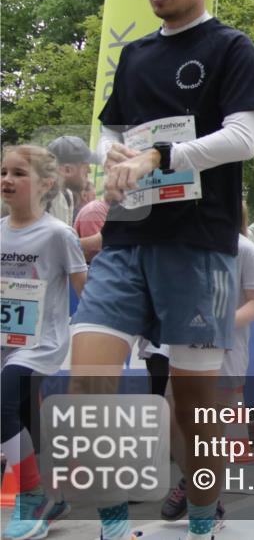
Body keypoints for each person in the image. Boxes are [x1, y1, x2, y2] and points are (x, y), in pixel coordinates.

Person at [69, 0, 254, 540]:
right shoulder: (134, 56)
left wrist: (159, 154)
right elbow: (110, 130)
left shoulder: (231, 47)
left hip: (197, 243)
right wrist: (117, 158)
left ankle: (204, 520)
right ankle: (111, 522)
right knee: (88, 381)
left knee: (193, 407)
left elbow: (243, 137)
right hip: (127, 239)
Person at [1, 146, 88, 540]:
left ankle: (32, 494)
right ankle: (53, 499)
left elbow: (84, 289)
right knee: (19, 417)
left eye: (18, 173)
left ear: (46, 184)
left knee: (3, 407)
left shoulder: (58, 234)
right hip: (4, 341)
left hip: (40, 343)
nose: (6, 180)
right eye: (3, 172)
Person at [162, 203, 254, 526]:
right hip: (185, 350)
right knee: (174, 423)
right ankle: (191, 480)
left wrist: (223, 322)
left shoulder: (244, 248)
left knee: (206, 428)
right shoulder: (184, 246)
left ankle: (208, 500)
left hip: (226, 352)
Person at [45, 135, 100, 226]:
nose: (89, 170)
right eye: (85, 166)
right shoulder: (50, 200)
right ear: (67, 170)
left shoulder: (66, 196)